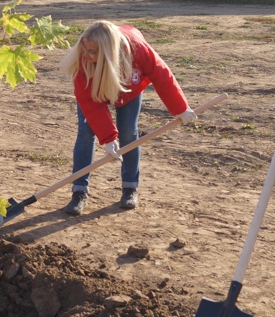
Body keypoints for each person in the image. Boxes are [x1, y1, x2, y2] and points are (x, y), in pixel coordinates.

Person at [59, 21, 197, 215]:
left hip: (129, 88)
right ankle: (79, 192)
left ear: (109, 52)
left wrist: (181, 108)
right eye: (85, 48)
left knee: (128, 134)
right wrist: (107, 138)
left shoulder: (137, 49)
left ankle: (130, 188)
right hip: (94, 91)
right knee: (85, 134)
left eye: (93, 51)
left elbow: (161, 74)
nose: (87, 54)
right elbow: (91, 105)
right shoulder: (82, 62)